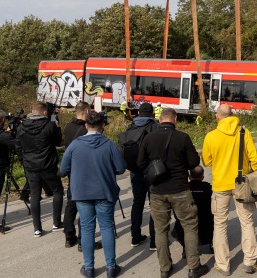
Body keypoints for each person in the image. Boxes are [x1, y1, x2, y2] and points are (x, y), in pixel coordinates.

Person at [138, 108, 210, 278]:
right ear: (175, 119)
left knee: (161, 230)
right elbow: (194, 162)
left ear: (160, 120)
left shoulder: (149, 138)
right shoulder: (182, 137)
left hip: (157, 191)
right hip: (180, 189)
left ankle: (165, 268)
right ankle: (194, 267)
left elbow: (140, 163)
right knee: (190, 227)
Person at [60, 111, 125, 278]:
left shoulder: (75, 145)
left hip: (81, 192)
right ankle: (111, 267)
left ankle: (89, 268)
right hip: (104, 192)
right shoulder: (110, 145)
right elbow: (120, 168)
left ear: (85, 125)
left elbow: (63, 169)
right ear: (103, 126)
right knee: (106, 228)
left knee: (87, 229)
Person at [202, 104, 257, 275]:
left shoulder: (211, 136)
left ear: (217, 117)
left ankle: (223, 264)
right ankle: (250, 261)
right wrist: (248, 172)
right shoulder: (244, 132)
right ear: (233, 115)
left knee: (220, 224)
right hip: (241, 184)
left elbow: (206, 161)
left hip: (220, 185)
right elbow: (255, 159)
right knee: (247, 222)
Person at [15, 101, 64, 237]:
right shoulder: (49, 125)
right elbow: (58, 141)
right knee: (57, 191)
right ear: (44, 112)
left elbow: (18, 146)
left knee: (35, 196)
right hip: (48, 164)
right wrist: (57, 125)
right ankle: (56, 223)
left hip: (30, 165)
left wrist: (23, 161)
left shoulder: (22, 126)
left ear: (31, 111)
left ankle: (37, 228)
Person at [62, 102, 100, 251]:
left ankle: (69, 237)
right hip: (86, 171)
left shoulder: (68, 127)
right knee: (85, 207)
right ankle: (82, 241)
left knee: (71, 204)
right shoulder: (86, 130)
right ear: (86, 111)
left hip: (72, 169)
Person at [119, 102, 157, 248]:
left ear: (139, 113)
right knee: (154, 204)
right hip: (152, 171)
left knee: (137, 203)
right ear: (152, 113)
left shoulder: (131, 127)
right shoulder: (155, 127)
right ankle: (154, 240)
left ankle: (135, 236)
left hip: (135, 171)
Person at [172, 166, 214, 255]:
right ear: (202, 177)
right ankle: (212, 244)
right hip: (206, 224)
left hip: (188, 222)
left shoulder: (184, 189)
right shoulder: (208, 188)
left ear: (189, 177)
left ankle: (185, 247)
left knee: (179, 223)